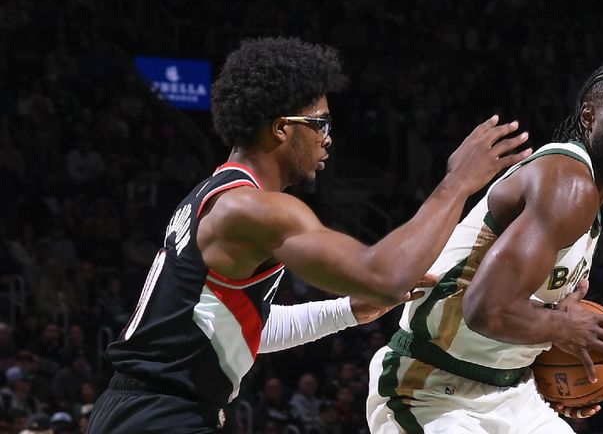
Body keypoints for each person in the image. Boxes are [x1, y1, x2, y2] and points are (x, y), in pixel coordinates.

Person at [87, 37, 530, 434]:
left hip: (147, 410)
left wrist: (350, 309)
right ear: (282, 127)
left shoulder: (216, 197)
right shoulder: (253, 209)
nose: (328, 139)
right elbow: (386, 274)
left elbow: (240, 329)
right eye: (320, 124)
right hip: (160, 414)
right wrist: (456, 184)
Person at [367, 62, 603, 433]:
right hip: (431, 389)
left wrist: (558, 378)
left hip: (515, 394)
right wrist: (563, 327)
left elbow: (517, 311)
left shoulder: (585, 196)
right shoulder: (567, 185)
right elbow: (486, 310)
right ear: (589, 116)